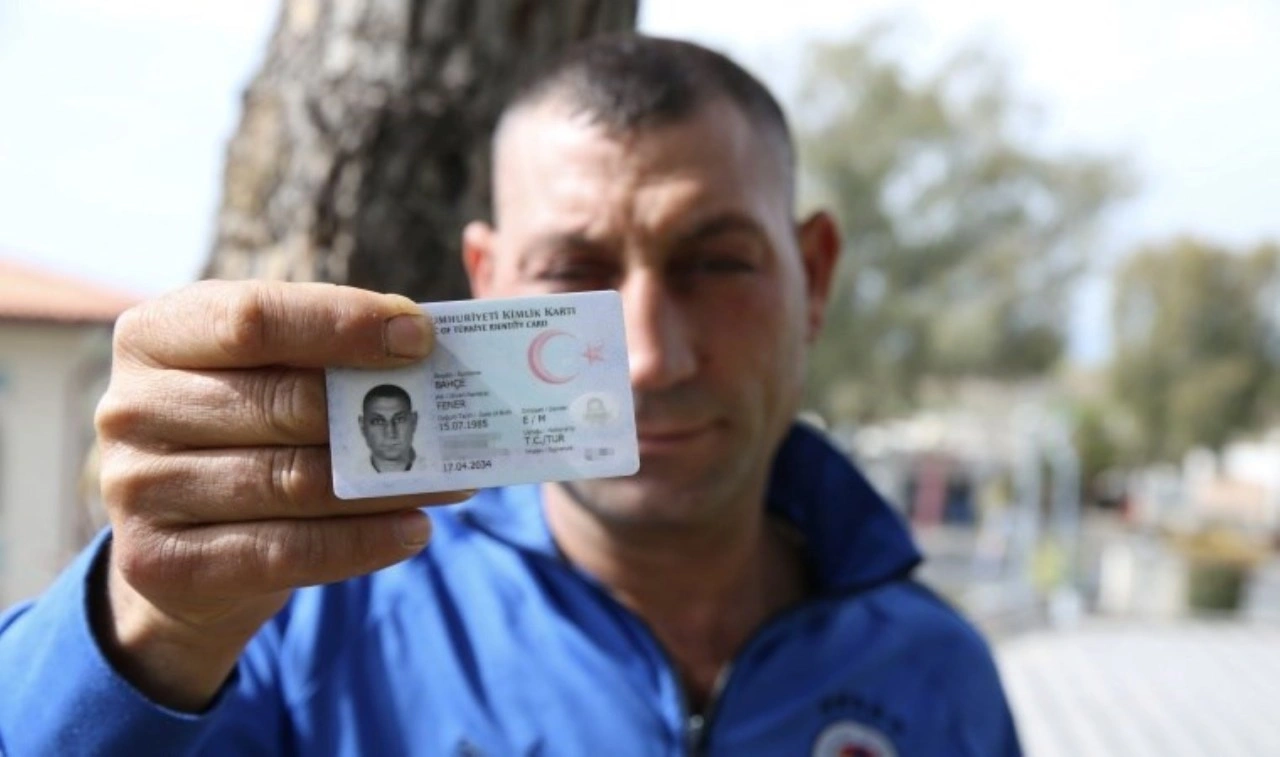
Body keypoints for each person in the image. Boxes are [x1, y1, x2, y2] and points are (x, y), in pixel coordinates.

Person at [0, 35, 1020, 755]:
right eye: (574, 273)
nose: (649, 357)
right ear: (485, 282)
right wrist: (143, 625)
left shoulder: (935, 670)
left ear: (815, 276)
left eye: (716, 263)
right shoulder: (306, 619)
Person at [359, 383, 419, 473]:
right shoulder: (349, 476)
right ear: (362, 426)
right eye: (378, 421)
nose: (390, 433)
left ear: (413, 421)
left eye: (399, 419)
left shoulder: (434, 469)